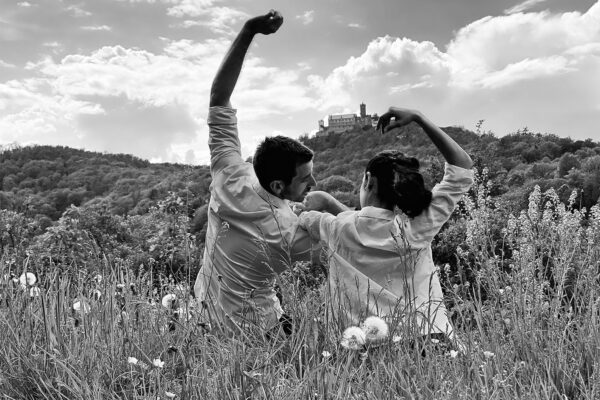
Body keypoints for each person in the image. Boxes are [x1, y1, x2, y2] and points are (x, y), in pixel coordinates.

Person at [298, 106, 474, 343]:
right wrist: (419, 117)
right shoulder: (417, 228)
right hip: (431, 340)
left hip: (369, 350)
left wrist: (318, 204)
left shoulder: (333, 227)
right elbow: (462, 166)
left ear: (368, 180)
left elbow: (352, 226)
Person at [194, 10, 317, 333]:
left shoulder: (228, 173)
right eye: (305, 178)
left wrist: (249, 30)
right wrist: (328, 207)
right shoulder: (287, 231)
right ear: (278, 185)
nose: (312, 182)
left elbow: (219, 96)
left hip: (204, 320)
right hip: (261, 333)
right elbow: (349, 246)